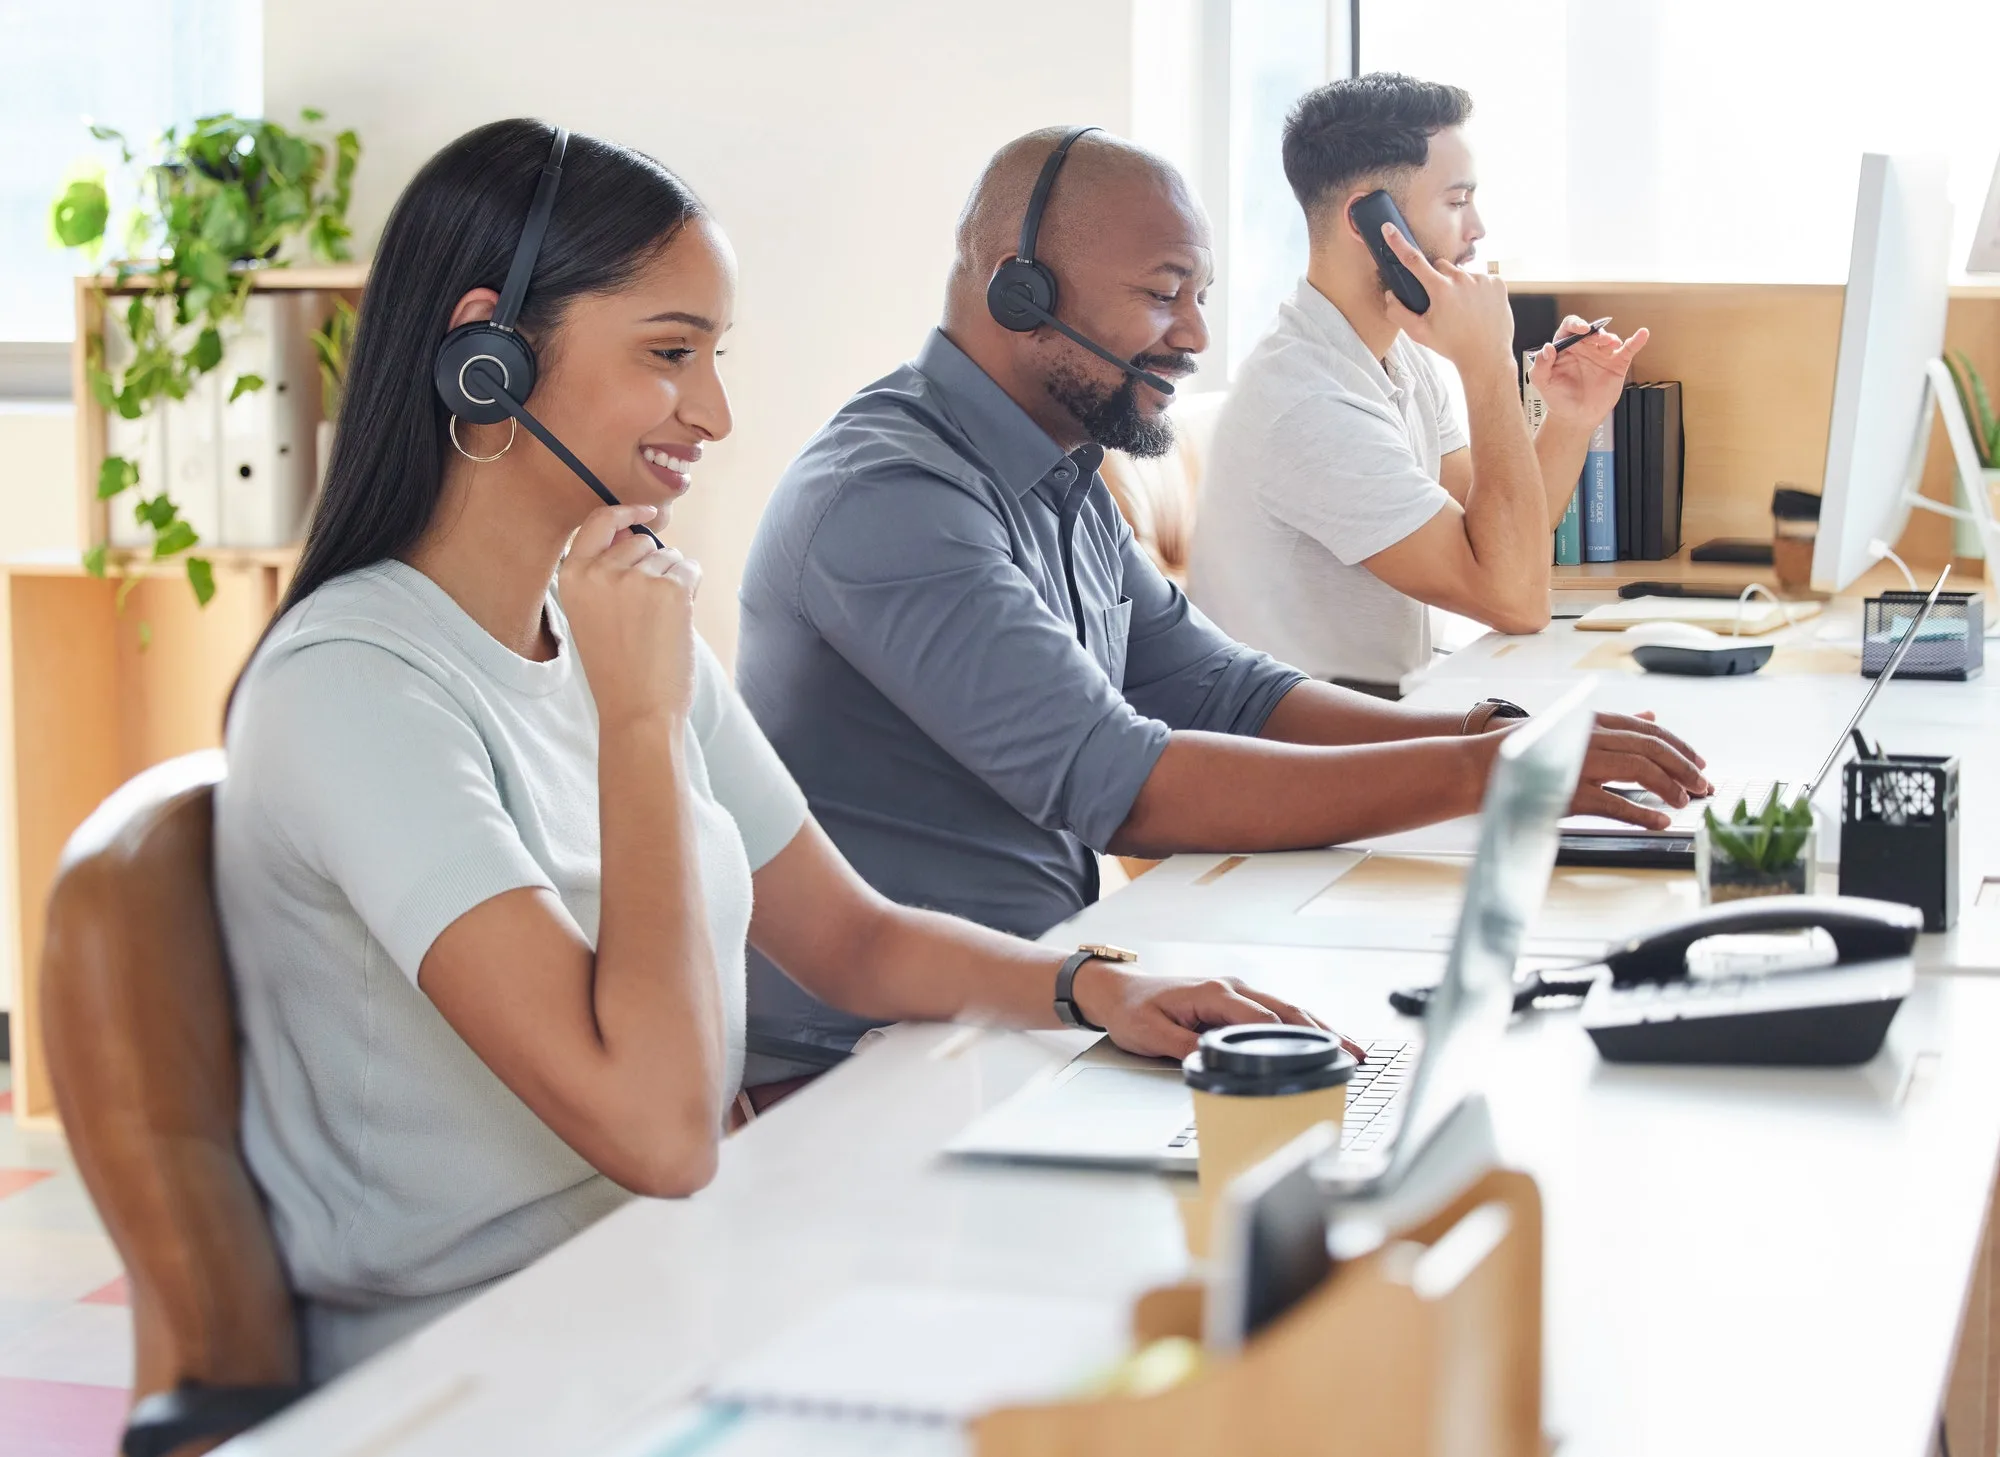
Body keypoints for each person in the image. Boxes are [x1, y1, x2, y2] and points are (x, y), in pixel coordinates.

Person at [215, 119, 1335, 1381]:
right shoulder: (356, 688)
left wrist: (1091, 989)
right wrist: (638, 722)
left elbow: (847, 934)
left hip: (692, 1270)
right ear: (489, 352)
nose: (716, 410)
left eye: (713, 354)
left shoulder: (609, 617)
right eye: (668, 353)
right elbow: (659, 1130)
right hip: (496, 1357)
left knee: (1179, 1317)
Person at [735, 126, 1706, 1084]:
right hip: (871, 1058)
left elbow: (1220, 688)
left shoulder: (1051, 465)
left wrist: (1481, 730)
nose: (1196, 336)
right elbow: (1127, 788)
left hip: (1047, 994)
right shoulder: (893, 497)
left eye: (1199, 297)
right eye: (1163, 296)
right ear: (1015, 287)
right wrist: (1484, 771)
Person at [1190, 73, 1650, 695]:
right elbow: (1514, 598)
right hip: (1311, 761)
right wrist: (1488, 362)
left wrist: (1568, 419)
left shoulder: (1395, 355)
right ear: (1370, 221)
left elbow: (1492, 539)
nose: (1478, 228)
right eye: (1457, 202)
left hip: (1383, 722)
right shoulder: (1307, 403)